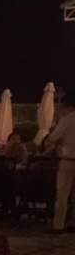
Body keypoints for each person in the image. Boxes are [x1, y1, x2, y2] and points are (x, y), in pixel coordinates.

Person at [49, 92, 75, 232]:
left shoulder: (66, 120)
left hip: (68, 161)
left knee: (62, 196)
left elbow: (52, 139)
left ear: (68, 107)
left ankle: (58, 225)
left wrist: (56, 147)